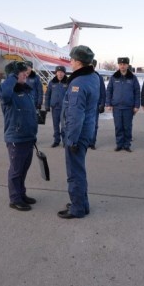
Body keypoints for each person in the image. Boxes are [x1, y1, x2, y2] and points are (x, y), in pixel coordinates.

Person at [58, 45, 99, 219]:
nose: (70, 63)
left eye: (72, 60)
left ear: (78, 62)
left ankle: (77, 208)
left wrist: (71, 140)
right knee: (79, 170)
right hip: (87, 130)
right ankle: (82, 204)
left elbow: (75, 114)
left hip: (78, 134)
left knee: (75, 173)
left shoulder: (78, 83)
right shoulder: (93, 77)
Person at [0, 61, 39, 212]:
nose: (26, 74)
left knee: (24, 169)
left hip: (28, 137)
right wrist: (13, 76)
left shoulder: (26, 90)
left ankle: (21, 194)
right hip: (16, 138)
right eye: (22, 73)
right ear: (13, 76)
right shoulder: (7, 92)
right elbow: (4, 93)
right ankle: (14, 199)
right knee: (16, 170)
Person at [106, 57, 141, 152]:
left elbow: (137, 92)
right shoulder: (114, 77)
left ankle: (127, 145)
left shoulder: (133, 78)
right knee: (118, 126)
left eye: (124, 64)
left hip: (128, 107)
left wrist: (137, 105)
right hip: (117, 107)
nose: (122, 66)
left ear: (127, 65)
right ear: (118, 65)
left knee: (127, 126)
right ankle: (119, 144)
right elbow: (109, 90)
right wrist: (108, 103)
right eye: (120, 64)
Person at [44, 66, 69, 147]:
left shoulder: (68, 82)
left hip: (65, 108)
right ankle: (56, 140)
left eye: (62, 72)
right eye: (58, 72)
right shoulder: (52, 82)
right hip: (55, 107)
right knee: (55, 125)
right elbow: (48, 94)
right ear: (56, 73)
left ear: (64, 73)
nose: (60, 74)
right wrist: (47, 105)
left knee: (64, 125)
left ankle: (65, 141)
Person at [89, 59, 106, 150]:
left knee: (94, 125)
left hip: (95, 105)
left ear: (94, 66)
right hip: (84, 105)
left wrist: (102, 104)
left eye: (92, 65)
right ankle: (85, 141)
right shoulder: (83, 76)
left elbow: (103, 92)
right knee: (83, 124)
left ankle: (92, 142)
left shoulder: (98, 77)